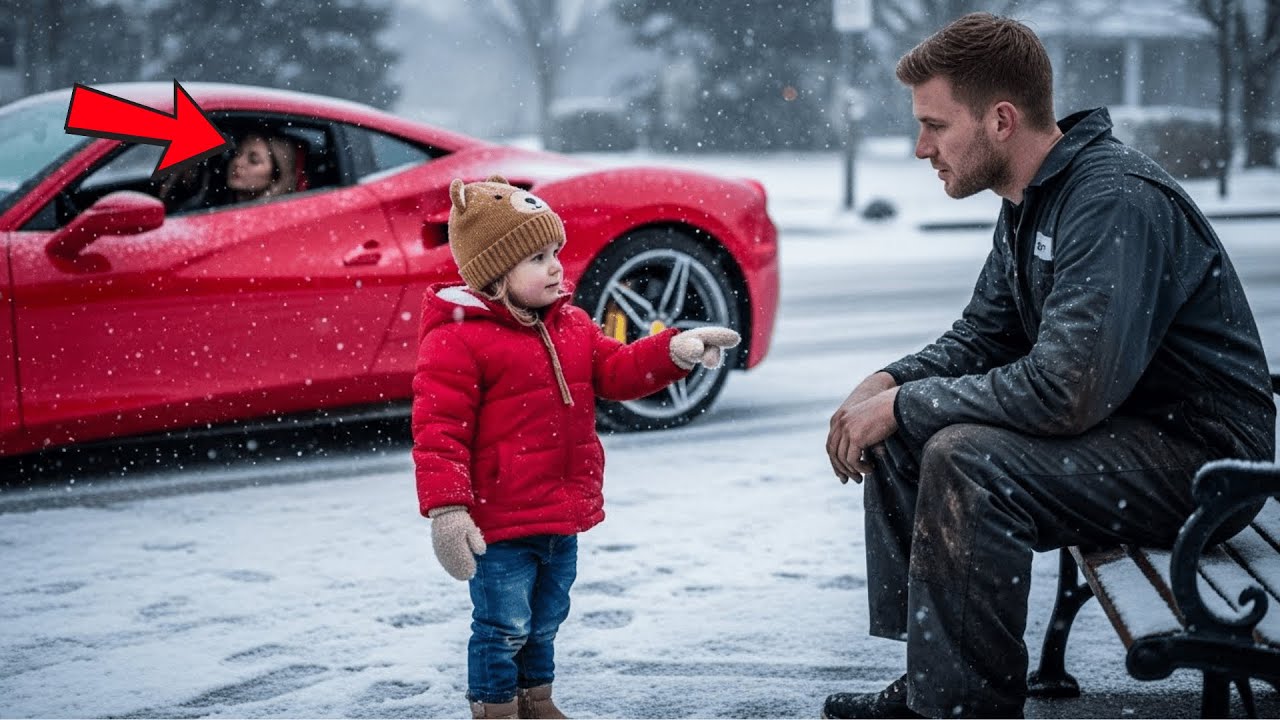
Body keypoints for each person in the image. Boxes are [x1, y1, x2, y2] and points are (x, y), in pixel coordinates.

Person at [822, 12, 1275, 719]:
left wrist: (906, 404)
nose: (920, 147)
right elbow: (983, 334)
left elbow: (1067, 391)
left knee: (968, 458)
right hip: (1135, 437)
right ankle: (939, 683)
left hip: (1210, 465)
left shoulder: (1111, 200)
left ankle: (967, 707)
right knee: (906, 429)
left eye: (935, 125)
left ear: (1001, 119)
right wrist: (887, 384)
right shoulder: (1035, 200)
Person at [412, 175, 741, 720]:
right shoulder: (457, 339)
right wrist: (448, 510)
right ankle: (494, 708)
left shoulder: (573, 326)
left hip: (560, 513)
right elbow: (437, 433)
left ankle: (537, 701)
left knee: (545, 619)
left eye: (555, 253)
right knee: (501, 626)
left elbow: (617, 371)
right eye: (537, 257)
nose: (555, 267)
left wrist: (674, 350)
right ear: (495, 271)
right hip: (500, 523)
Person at [224, 131, 298, 202]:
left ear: (274, 177)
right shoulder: (221, 202)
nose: (237, 162)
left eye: (254, 160)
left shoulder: (276, 212)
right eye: (236, 153)